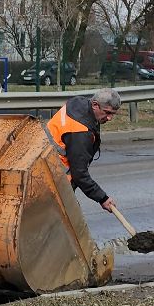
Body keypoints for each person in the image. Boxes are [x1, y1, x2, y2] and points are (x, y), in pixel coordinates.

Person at [46, 87, 120, 215]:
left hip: (44, 169)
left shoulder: (77, 105)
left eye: (113, 114)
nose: (110, 118)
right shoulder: (80, 132)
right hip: (55, 181)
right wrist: (102, 198)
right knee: (70, 223)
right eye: (107, 113)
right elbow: (79, 173)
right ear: (95, 105)